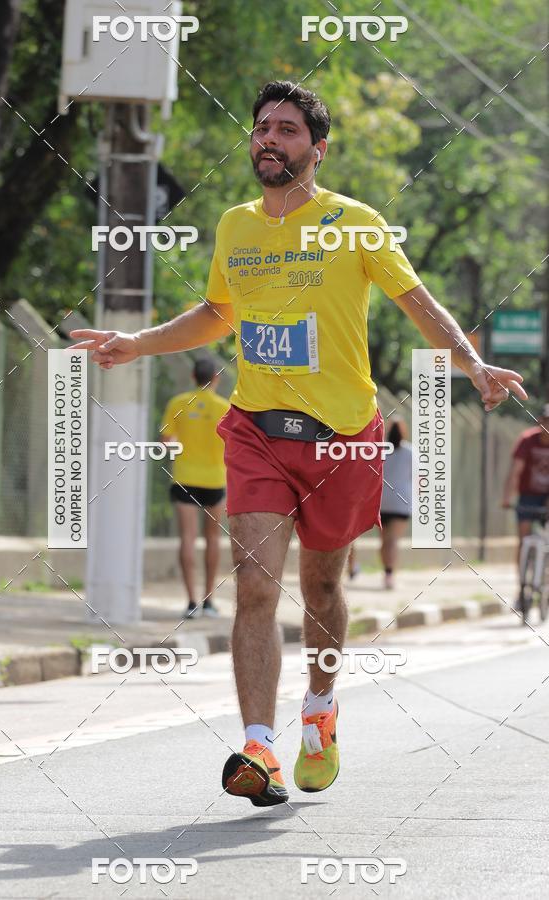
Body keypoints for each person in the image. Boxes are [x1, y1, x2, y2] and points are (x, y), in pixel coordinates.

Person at [71, 80, 526, 807]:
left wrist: (471, 364)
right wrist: (139, 342)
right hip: (257, 430)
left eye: (287, 130)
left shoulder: (357, 223)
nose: (269, 139)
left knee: (322, 586)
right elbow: (217, 313)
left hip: (343, 439)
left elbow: (417, 302)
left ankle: (319, 708)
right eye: (262, 128)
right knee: (255, 584)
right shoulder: (235, 226)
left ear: (318, 149)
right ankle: (259, 747)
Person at [160, 357, 229, 618]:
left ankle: (191, 603)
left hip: (185, 478)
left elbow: (166, 442)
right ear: (216, 378)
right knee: (213, 538)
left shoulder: (178, 403)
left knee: (187, 538)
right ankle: (209, 602)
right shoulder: (224, 407)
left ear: (193, 376)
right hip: (215, 479)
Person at [502, 403, 549, 572]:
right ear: (539, 421)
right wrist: (507, 498)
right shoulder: (527, 440)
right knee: (523, 536)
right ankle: (521, 579)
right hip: (528, 494)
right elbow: (515, 471)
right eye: (546, 421)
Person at [379, 418, 412, 590]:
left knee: (384, 541)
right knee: (393, 540)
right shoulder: (410, 452)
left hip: (382, 501)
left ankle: (386, 571)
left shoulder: (381, 449)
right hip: (401, 502)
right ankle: (389, 575)